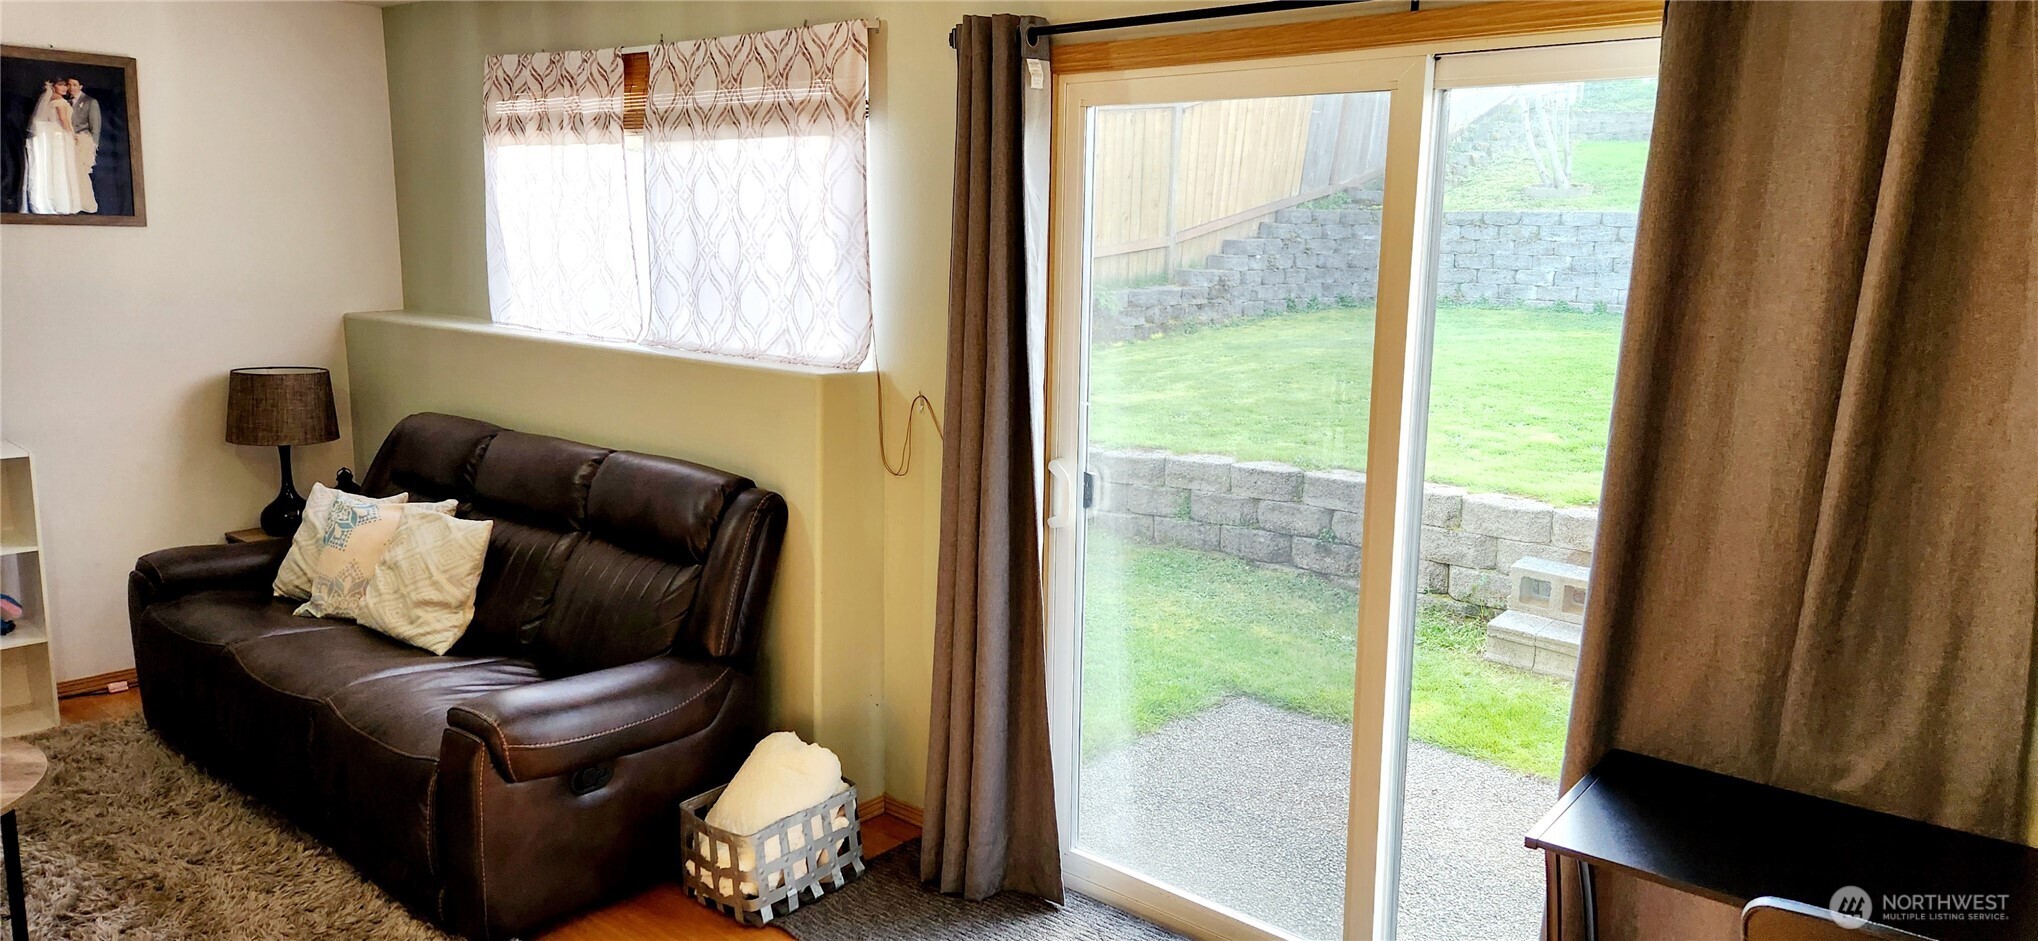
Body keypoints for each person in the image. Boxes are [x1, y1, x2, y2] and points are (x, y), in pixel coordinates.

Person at [20, 81, 80, 214]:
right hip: (60, 137)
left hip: (54, 136)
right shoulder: (59, 101)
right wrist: (72, 135)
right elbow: (63, 120)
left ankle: (56, 200)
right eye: (60, 85)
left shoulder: (51, 100)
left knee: (55, 167)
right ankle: (62, 203)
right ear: (53, 86)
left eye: (65, 85)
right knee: (61, 167)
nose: (64, 88)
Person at [64, 78, 99, 213]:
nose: (71, 87)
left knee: (82, 173)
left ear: (81, 86)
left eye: (74, 85)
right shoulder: (66, 102)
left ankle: (86, 203)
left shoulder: (90, 102)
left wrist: (92, 147)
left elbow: (95, 127)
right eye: (69, 85)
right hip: (69, 141)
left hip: (83, 141)